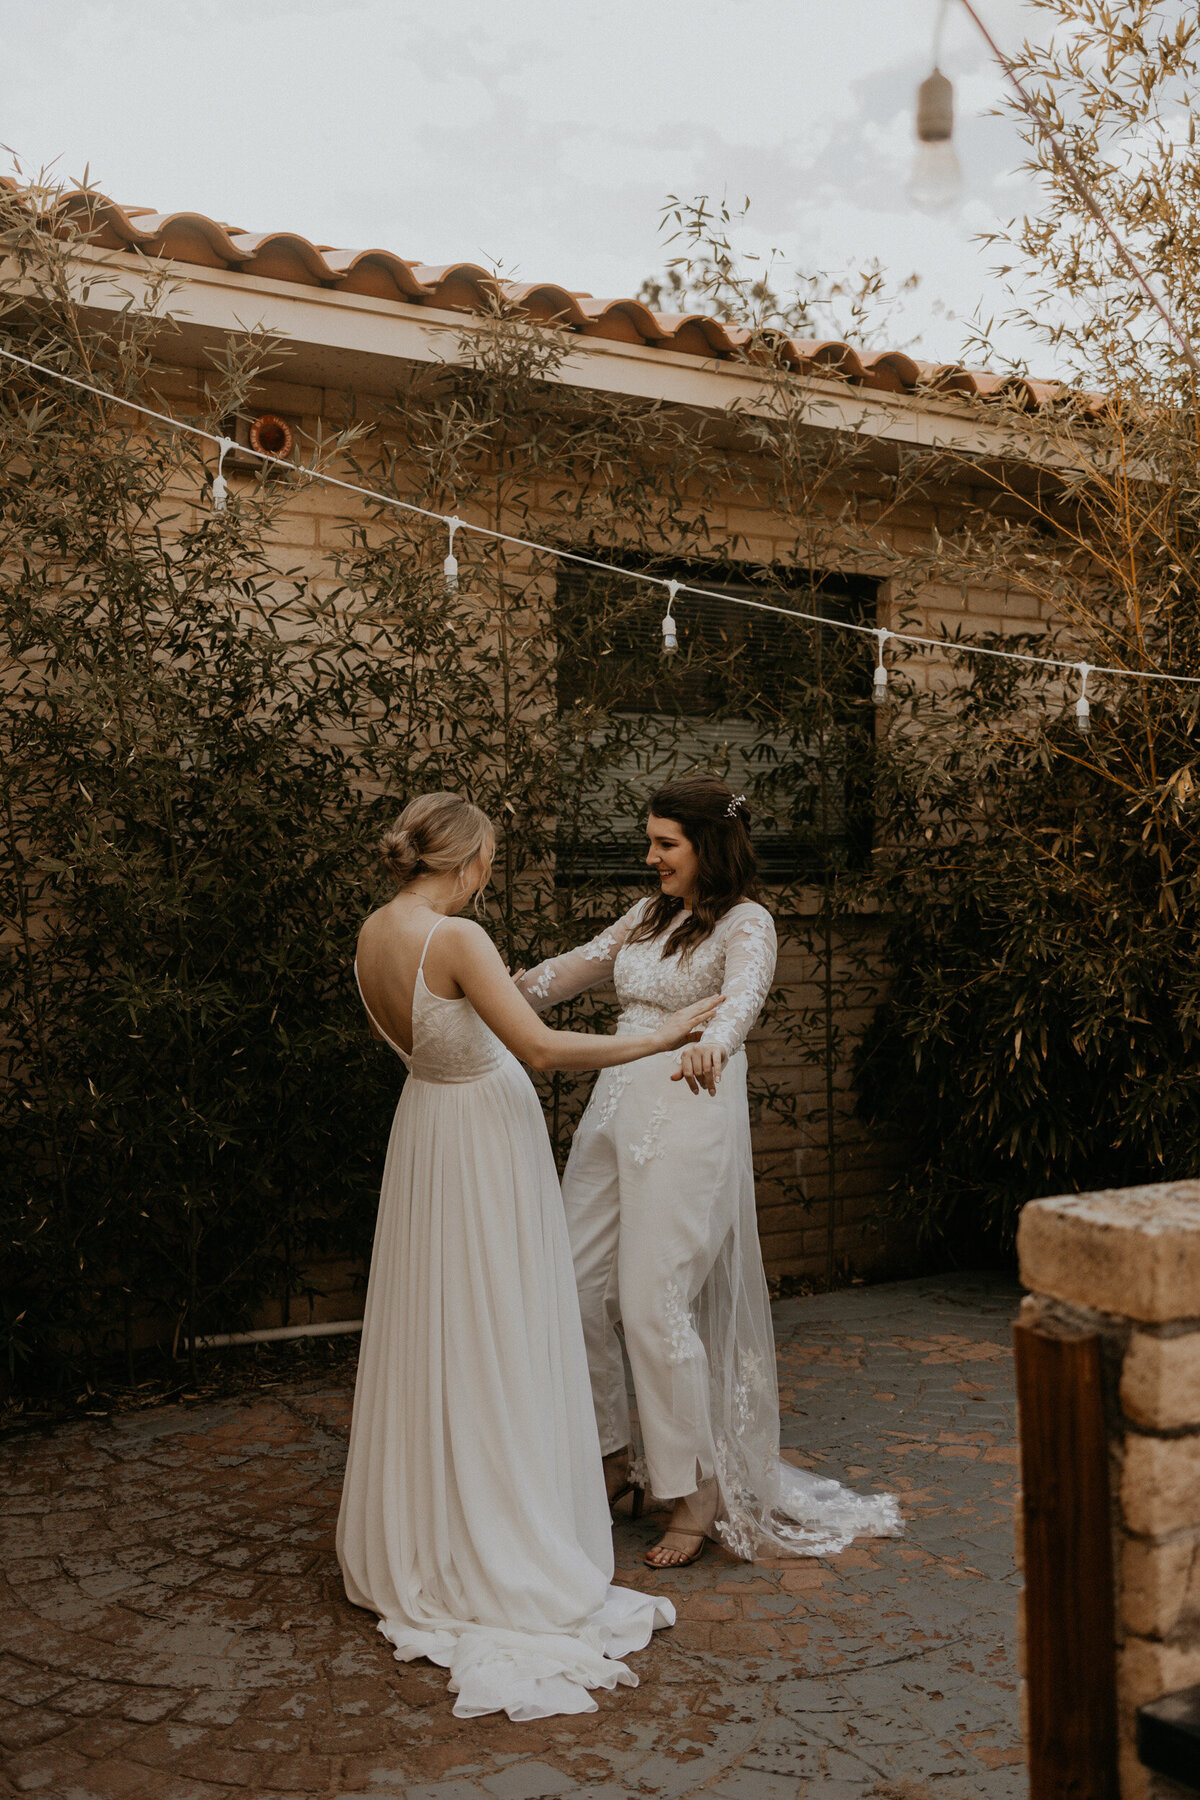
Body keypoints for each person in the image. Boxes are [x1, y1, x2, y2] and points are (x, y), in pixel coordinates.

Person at [336, 791, 722, 1721]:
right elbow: (541, 1050)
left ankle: (430, 1523)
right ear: (466, 860)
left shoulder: (374, 933)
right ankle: (500, 1525)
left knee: (443, 1329)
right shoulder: (455, 938)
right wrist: (664, 1034)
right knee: (495, 1326)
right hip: (479, 1148)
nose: (490, 872)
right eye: (490, 858)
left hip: (428, 1132)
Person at [516, 773, 901, 1569]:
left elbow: (743, 999)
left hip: (688, 1107)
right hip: (614, 1108)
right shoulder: (649, 913)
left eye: (666, 844)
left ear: (708, 846)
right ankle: (614, 1452)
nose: (650, 856)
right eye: (650, 841)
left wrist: (714, 1042)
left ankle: (695, 1494)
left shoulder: (747, 922)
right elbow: (573, 968)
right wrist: (485, 997)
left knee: (653, 1304)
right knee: (574, 1286)